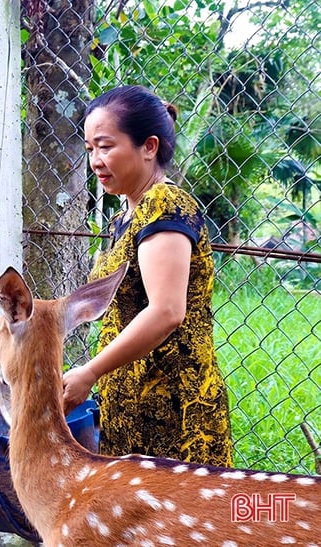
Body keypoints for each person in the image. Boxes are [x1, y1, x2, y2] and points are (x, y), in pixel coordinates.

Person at [62, 85, 234, 467]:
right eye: (90, 149)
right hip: (128, 405)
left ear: (149, 146)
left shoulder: (165, 205)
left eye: (106, 147)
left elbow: (167, 311)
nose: (95, 161)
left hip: (174, 412)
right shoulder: (125, 213)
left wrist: (89, 371)